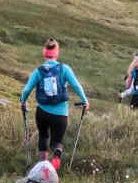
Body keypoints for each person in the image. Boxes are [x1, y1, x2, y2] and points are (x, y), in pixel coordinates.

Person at [20, 38, 88, 170]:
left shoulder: (38, 71)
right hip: (60, 113)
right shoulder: (64, 69)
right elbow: (76, 85)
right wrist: (85, 100)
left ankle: (43, 168)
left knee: (43, 136)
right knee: (57, 141)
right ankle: (56, 156)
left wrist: (23, 101)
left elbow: (27, 89)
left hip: (42, 111)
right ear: (57, 53)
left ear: (44, 54)